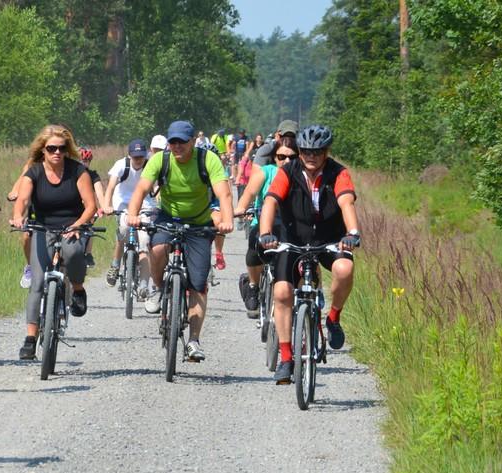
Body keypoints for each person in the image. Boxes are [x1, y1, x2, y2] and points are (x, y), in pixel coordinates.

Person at [258, 125, 361, 384]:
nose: (311, 156)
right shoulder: (287, 171)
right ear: (300, 152)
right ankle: (286, 358)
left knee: (345, 269)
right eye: (306, 151)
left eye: (317, 152)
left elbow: (346, 202)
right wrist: (266, 233)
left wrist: (352, 232)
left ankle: (333, 318)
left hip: (329, 238)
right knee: (282, 292)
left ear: (326, 152)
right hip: (292, 238)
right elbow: (270, 201)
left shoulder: (338, 173)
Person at [126, 120, 233, 362]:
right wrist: (133, 215)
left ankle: (194, 340)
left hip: (199, 222)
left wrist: (226, 220)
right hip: (168, 218)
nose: (177, 146)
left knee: (198, 283)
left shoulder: (207, 159)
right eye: (173, 142)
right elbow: (141, 189)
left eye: (182, 142)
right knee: (157, 249)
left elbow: (224, 193)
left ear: (193, 141)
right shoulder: (160, 160)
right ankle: (159, 288)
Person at [9, 125, 98, 359]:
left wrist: (78, 225)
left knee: (74, 253)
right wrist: (18, 216)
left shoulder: (78, 171)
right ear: (43, 150)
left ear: (67, 150)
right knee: (37, 282)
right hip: (43, 228)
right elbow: (23, 200)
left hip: (72, 226)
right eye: (51, 148)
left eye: (61, 148)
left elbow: (91, 205)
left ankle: (78, 289)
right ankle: (30, 339)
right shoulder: (34, 172)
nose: (57, 152)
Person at [233, 136, 298, 317]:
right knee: (255, 244)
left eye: (292, 157)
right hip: (264, 222)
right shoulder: (266, 172)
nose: (287, 161)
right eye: (282, 157)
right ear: (274, 158)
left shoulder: (302, 175)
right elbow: (250, 193)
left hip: (291, 225)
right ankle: (253, 285)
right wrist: (241, 208)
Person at [103, 138, 157, 297]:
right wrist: (106, 206)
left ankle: (144, 285)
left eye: (141, 156)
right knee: (123, 231)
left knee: (144, 241)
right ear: (129, 156)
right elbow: (111, 187)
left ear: (145, 155)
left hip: (145, 206)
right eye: (135, 156)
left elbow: (157, 187)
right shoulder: (122, 165)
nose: (138, 160)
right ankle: (115, 265)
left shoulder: (150, 166)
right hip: (123, 205)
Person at [79, 146, 106, 269]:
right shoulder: (69, 174)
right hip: (71, 208)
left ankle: (88, 254)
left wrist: (103, 207)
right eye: (80, 160)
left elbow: (99, 192)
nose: (83, 163)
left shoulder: (92, 175)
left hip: (87, 208)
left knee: (89, 227)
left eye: (86, 161)